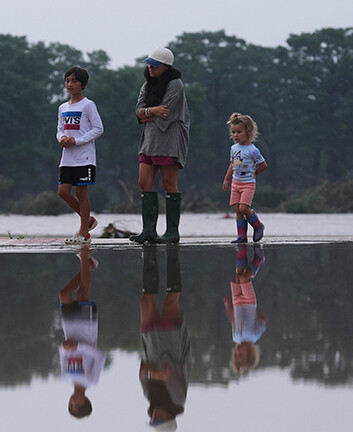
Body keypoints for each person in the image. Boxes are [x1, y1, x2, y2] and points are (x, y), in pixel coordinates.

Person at [130, 47, 190, 245]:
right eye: (149, 63)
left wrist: (148, 113)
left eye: (154, 65)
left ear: (165, 67)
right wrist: (151, 111)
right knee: (143, 181)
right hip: (149, 140)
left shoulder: (175, 85)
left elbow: (166, 114)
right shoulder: (146, 86)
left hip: (169, 139)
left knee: (168, 183)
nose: (150, 67)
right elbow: (138, 112)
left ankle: (172, 231)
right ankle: (148, 231)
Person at [138, 245, 190, 430]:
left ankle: (149, 254)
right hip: (171, 344)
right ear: (168, 418)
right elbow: (168, 371)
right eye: (158, 419)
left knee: (145, 300)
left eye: (153, 419)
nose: (153, 415)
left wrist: (152, 373)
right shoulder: (178, 399)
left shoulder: (150, 399)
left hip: (151, 344)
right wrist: (154, 373)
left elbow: (142, 373)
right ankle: (172, 254)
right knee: (171, 298)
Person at [56, 67, 105, 245]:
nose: (70, 84)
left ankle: (84, 233)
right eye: (67, 81)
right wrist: (62, 139)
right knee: (63, 192)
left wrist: (77, 141)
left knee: (81, 191)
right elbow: (60, 129)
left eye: (74, 81)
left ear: (82, 85)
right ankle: (88, 220)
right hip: (67, 157)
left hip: (84, 157)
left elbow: (98, 129)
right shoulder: (62, 107)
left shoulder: (88, 105)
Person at [58, 246, 106, 418]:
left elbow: (63, 355)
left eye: (70, 405)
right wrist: (79, 346)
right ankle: (85, 256)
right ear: (84, 402)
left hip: (70, 330)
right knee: (82, 295)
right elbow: (100, 356)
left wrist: (64, 347)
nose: (72, 401)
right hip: (86, 331)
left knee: (64, 294)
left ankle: (88, 266)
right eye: (76, 405)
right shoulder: (92, 380)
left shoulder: (66, 377)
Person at [222, 113, 267, 243]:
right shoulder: (233, 148)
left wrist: (254, 173)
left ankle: (258, 225)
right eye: (233, 132)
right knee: (237, 210)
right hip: (236, 182)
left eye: (239, 132)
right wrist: (226, 179)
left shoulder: (253, 150)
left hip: (248, 184)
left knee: (243, 208)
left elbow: (263, 165)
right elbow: (232, 164)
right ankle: (241, 236)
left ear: (248, 132)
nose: (235, 135)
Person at [224, 244, 266, 375]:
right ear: (249, 354)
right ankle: (258, 260)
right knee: (244, 278)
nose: (237, 352)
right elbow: (263, 322)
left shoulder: (236, 337)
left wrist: (228, 307)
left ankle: (242, 251)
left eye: (236, 355)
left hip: (237, 302)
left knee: (238, 276)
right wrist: (259, 318)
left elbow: (234, 320)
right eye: (241, 355)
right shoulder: (254, 336)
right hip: (249, 302)